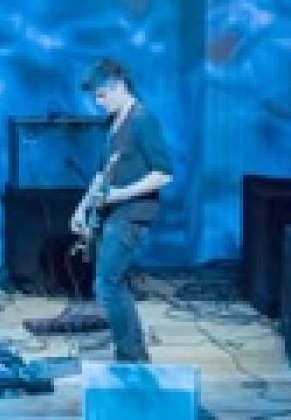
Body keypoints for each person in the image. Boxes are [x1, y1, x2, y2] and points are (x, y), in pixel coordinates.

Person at [70, 58, 173, 362]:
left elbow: (164, 173)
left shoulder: (143, 120)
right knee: (110, 283)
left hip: (133, 214)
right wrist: (83, 206)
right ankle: (130, 352)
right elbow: (103, 174)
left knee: (107, 283)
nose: (98, 103)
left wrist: (119, 195)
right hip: (113, 212)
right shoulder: (114, 125)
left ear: (118, 86)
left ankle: (133, 357)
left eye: (101, 96)